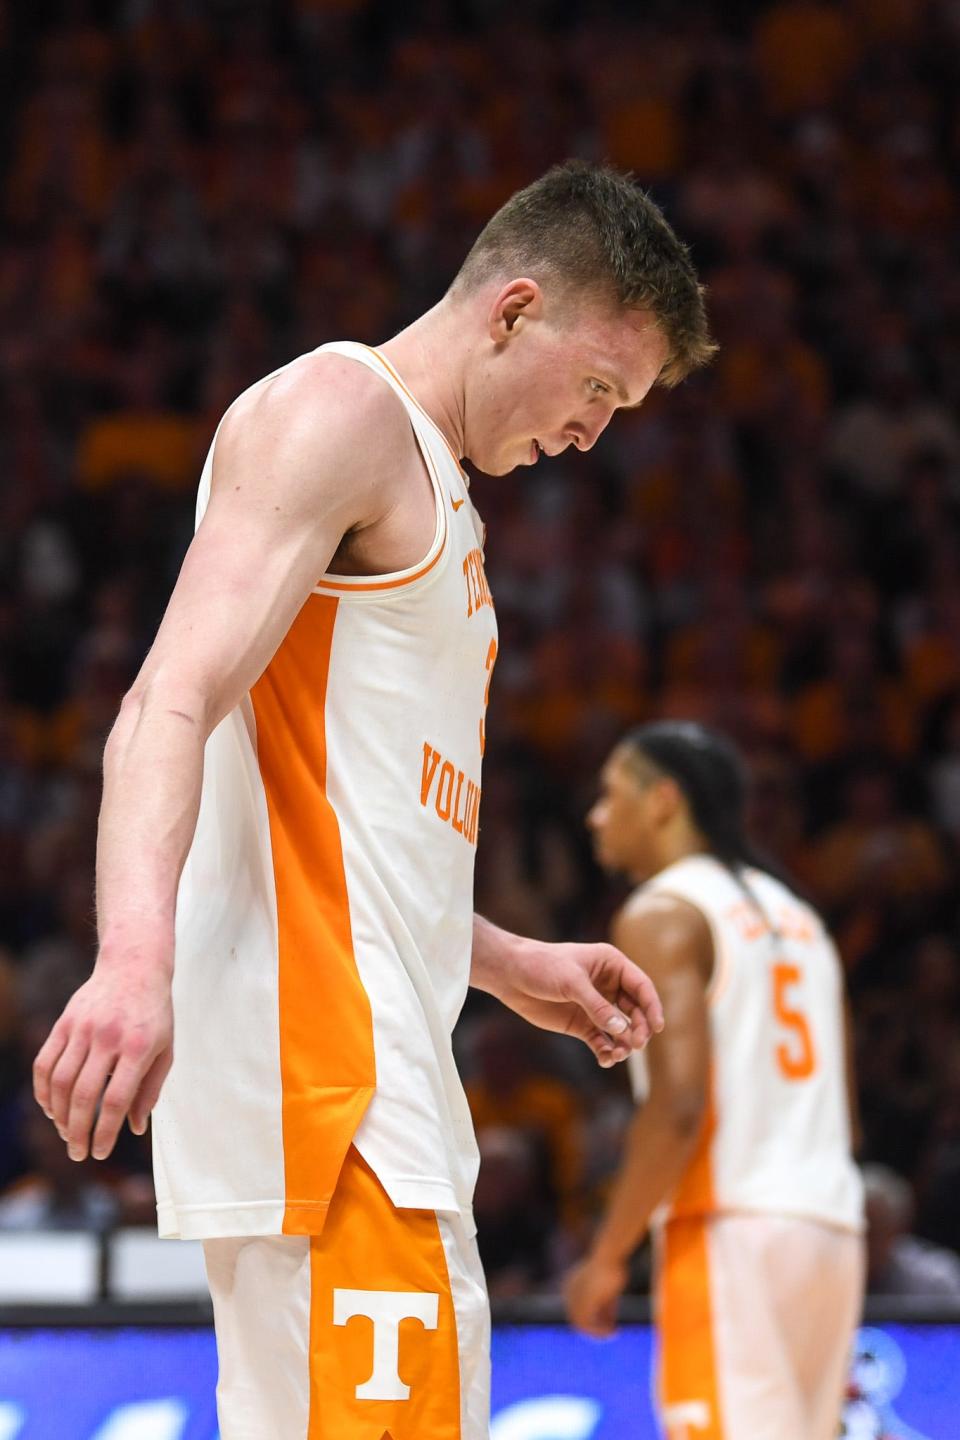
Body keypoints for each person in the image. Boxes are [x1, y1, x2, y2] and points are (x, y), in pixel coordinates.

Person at [32, 162, 714, 1439]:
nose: (593, 434)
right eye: (599, 390)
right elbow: (164, 704)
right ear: (513, 312)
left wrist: (504, 963)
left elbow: (344, 837)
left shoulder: (443, 500)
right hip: (335, 1098)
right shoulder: (342, 411)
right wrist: (134, 960)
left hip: (378, 1086)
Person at [565, 721, 864, 1440]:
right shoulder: (801, 918)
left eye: (612, 794)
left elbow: (678, 1106)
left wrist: (606, 1258)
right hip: (832, 1228)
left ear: (664, 801)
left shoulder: (663, 913)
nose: (595, 815)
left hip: (731, 1226)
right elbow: (848, 1118)